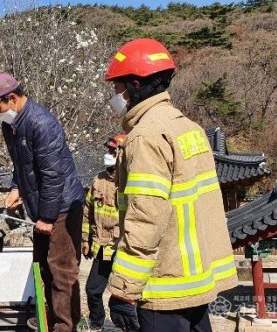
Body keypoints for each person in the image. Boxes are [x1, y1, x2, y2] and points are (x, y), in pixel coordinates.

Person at [102, 39, 238, 332]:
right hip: (196, 283)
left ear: (135, 85)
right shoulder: (189, 128)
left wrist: (124, 290)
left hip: (163, 287)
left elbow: (145, 218)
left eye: (117, 88)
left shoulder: (146, 136)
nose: (116, 96)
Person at [0, 73, 85, 332]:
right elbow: (21, 163)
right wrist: (17, 187)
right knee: (42, 266)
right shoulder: (10, 124)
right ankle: (46, 317)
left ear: (12, 98)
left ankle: (65, 325)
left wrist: (47, 218)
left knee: (61, 270)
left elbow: (52, 175)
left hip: (61, 205)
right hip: (41, 206)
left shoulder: (41, 123)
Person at [81, 134, 125, 331]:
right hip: (102, 246)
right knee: (92, 290)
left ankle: (132, 326)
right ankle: (97, 324)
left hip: (123, 247)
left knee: (127, 292)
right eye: (108, 151)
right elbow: (87, 213)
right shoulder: (98, 180)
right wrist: (86, 240)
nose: (108, 155)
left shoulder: (130, 181)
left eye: (113, 151)